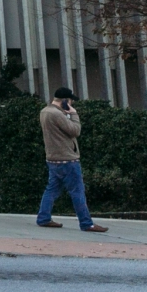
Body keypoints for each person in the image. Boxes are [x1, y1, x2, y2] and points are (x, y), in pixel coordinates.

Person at [37, 86, 108, 232]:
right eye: (70, 101)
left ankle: (43, 218)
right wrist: (74, 114)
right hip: (67, 159)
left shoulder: (44, 111)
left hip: (52, 158)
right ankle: (86, 223)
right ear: (65, 101)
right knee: (77, 191)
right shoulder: (57, 114)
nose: (72, 104)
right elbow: (75, 131)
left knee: (51, 189)